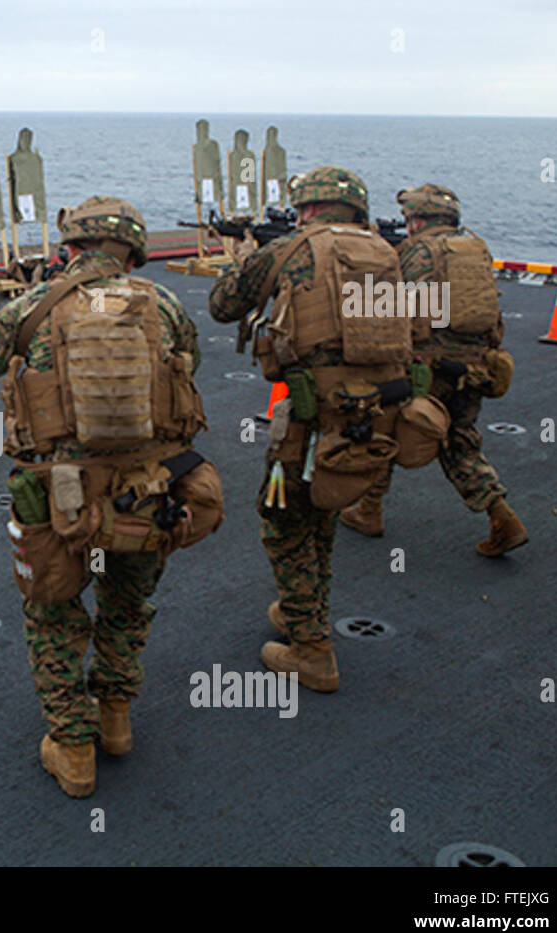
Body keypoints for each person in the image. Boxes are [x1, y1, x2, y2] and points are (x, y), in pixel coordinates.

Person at [0, 196, 219, 797]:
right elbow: (191, 361)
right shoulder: (162, 303)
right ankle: (115, 720)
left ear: (70, 248)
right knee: (128, 602)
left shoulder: (34, 306)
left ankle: (74, 747)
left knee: (54, 611)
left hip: (60, 496)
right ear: (133, 252)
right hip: (149, 489)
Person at [208, 166, 414, 693]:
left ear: (304, 209)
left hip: (310, 415)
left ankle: (311, 650)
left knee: (283, 521)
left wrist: (251, 254)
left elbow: (221, 306)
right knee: (323, 506)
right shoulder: (385, 254)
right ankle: (306, 611)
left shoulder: (290, 250)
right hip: (374, 414)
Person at [339, 184, 527, 557]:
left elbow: (387, 310)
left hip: (429, 368)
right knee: (459, 441)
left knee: (384, 430)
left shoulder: (417, 252)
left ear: (418, 219)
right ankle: (502, 516)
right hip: (474, 367)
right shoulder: (475, 248)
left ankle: (369, 510)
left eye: (410, 220)